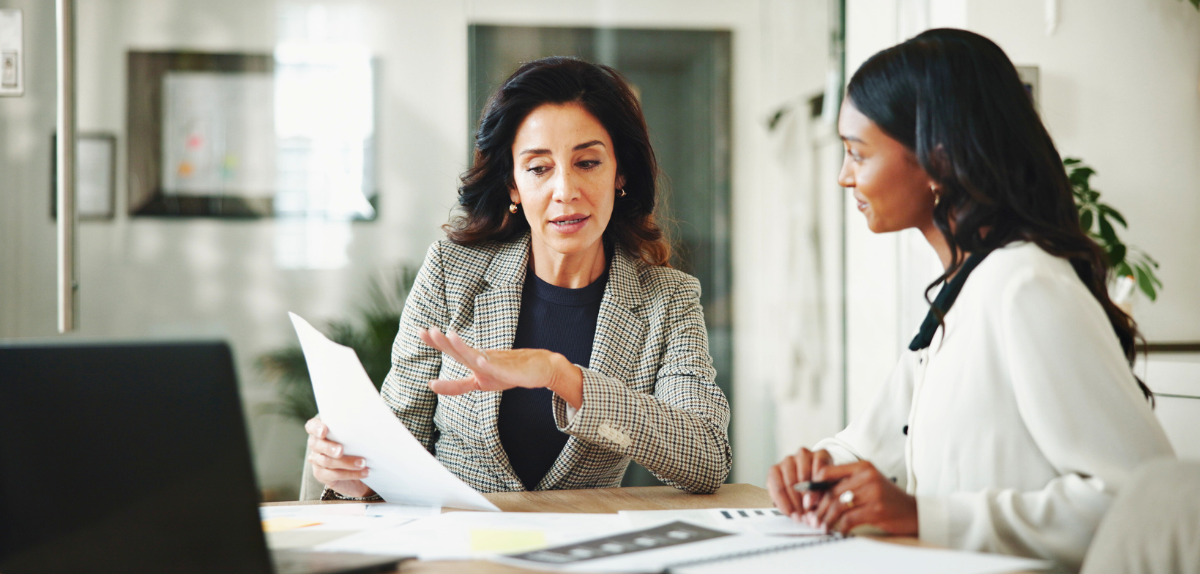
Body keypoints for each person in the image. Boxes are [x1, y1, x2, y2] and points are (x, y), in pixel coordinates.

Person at [766, 29, 1174, 571]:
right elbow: (876, 441)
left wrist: (924, 516)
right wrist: (817, 467)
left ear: (937, 159)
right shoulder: (960, 294)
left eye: (856, 153)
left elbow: (1141, 502)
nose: (844, 178)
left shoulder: (1025, 287)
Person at [305, 56, 731, 498]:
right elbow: (397, 446)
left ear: (620, 173)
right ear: (512, 184)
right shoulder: (453, 273)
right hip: (459, 548)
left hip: (582, 551)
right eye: (538, 168)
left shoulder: (668, 299)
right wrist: (354, 474)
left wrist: (559, 375)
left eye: (587, 162)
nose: (565, 190)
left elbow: (707, 458)